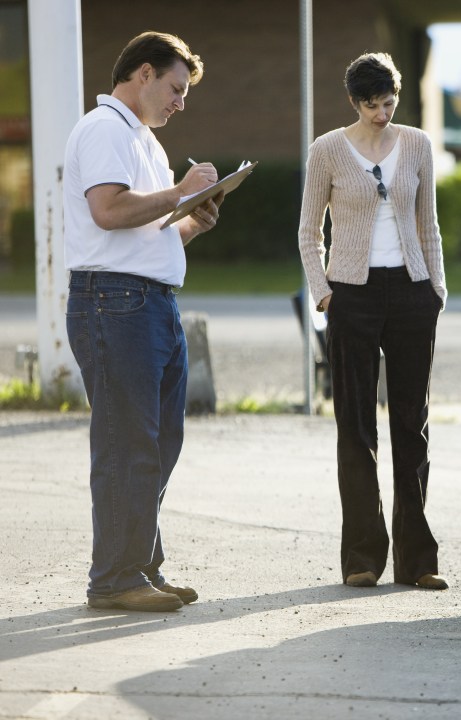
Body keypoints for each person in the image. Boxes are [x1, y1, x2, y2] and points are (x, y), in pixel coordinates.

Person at [64, 31, 223, 612]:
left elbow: (146, 232)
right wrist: (181, 190)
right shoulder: (105, 129)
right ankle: (113, 579)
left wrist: (190, 222)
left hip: (148, 300)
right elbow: (107, 212)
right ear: (145, 73)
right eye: (177, 89)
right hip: (114, 302)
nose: (181, 102)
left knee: (157, 444)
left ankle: (139, 569)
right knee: (125, 443)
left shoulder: (144, 139)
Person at [298, 52, 448, 590]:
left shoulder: (418, 144)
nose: (382, 112)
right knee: (356, 428)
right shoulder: (327, 151)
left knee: (412, 425)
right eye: (372, 104)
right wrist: (324, 295)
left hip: (411, 294)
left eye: (389, 102)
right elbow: (308, 232)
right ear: (354, 102)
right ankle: (362, 559)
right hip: (351, 297)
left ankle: (417, 562)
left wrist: (436, 291)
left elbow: (426, 223)